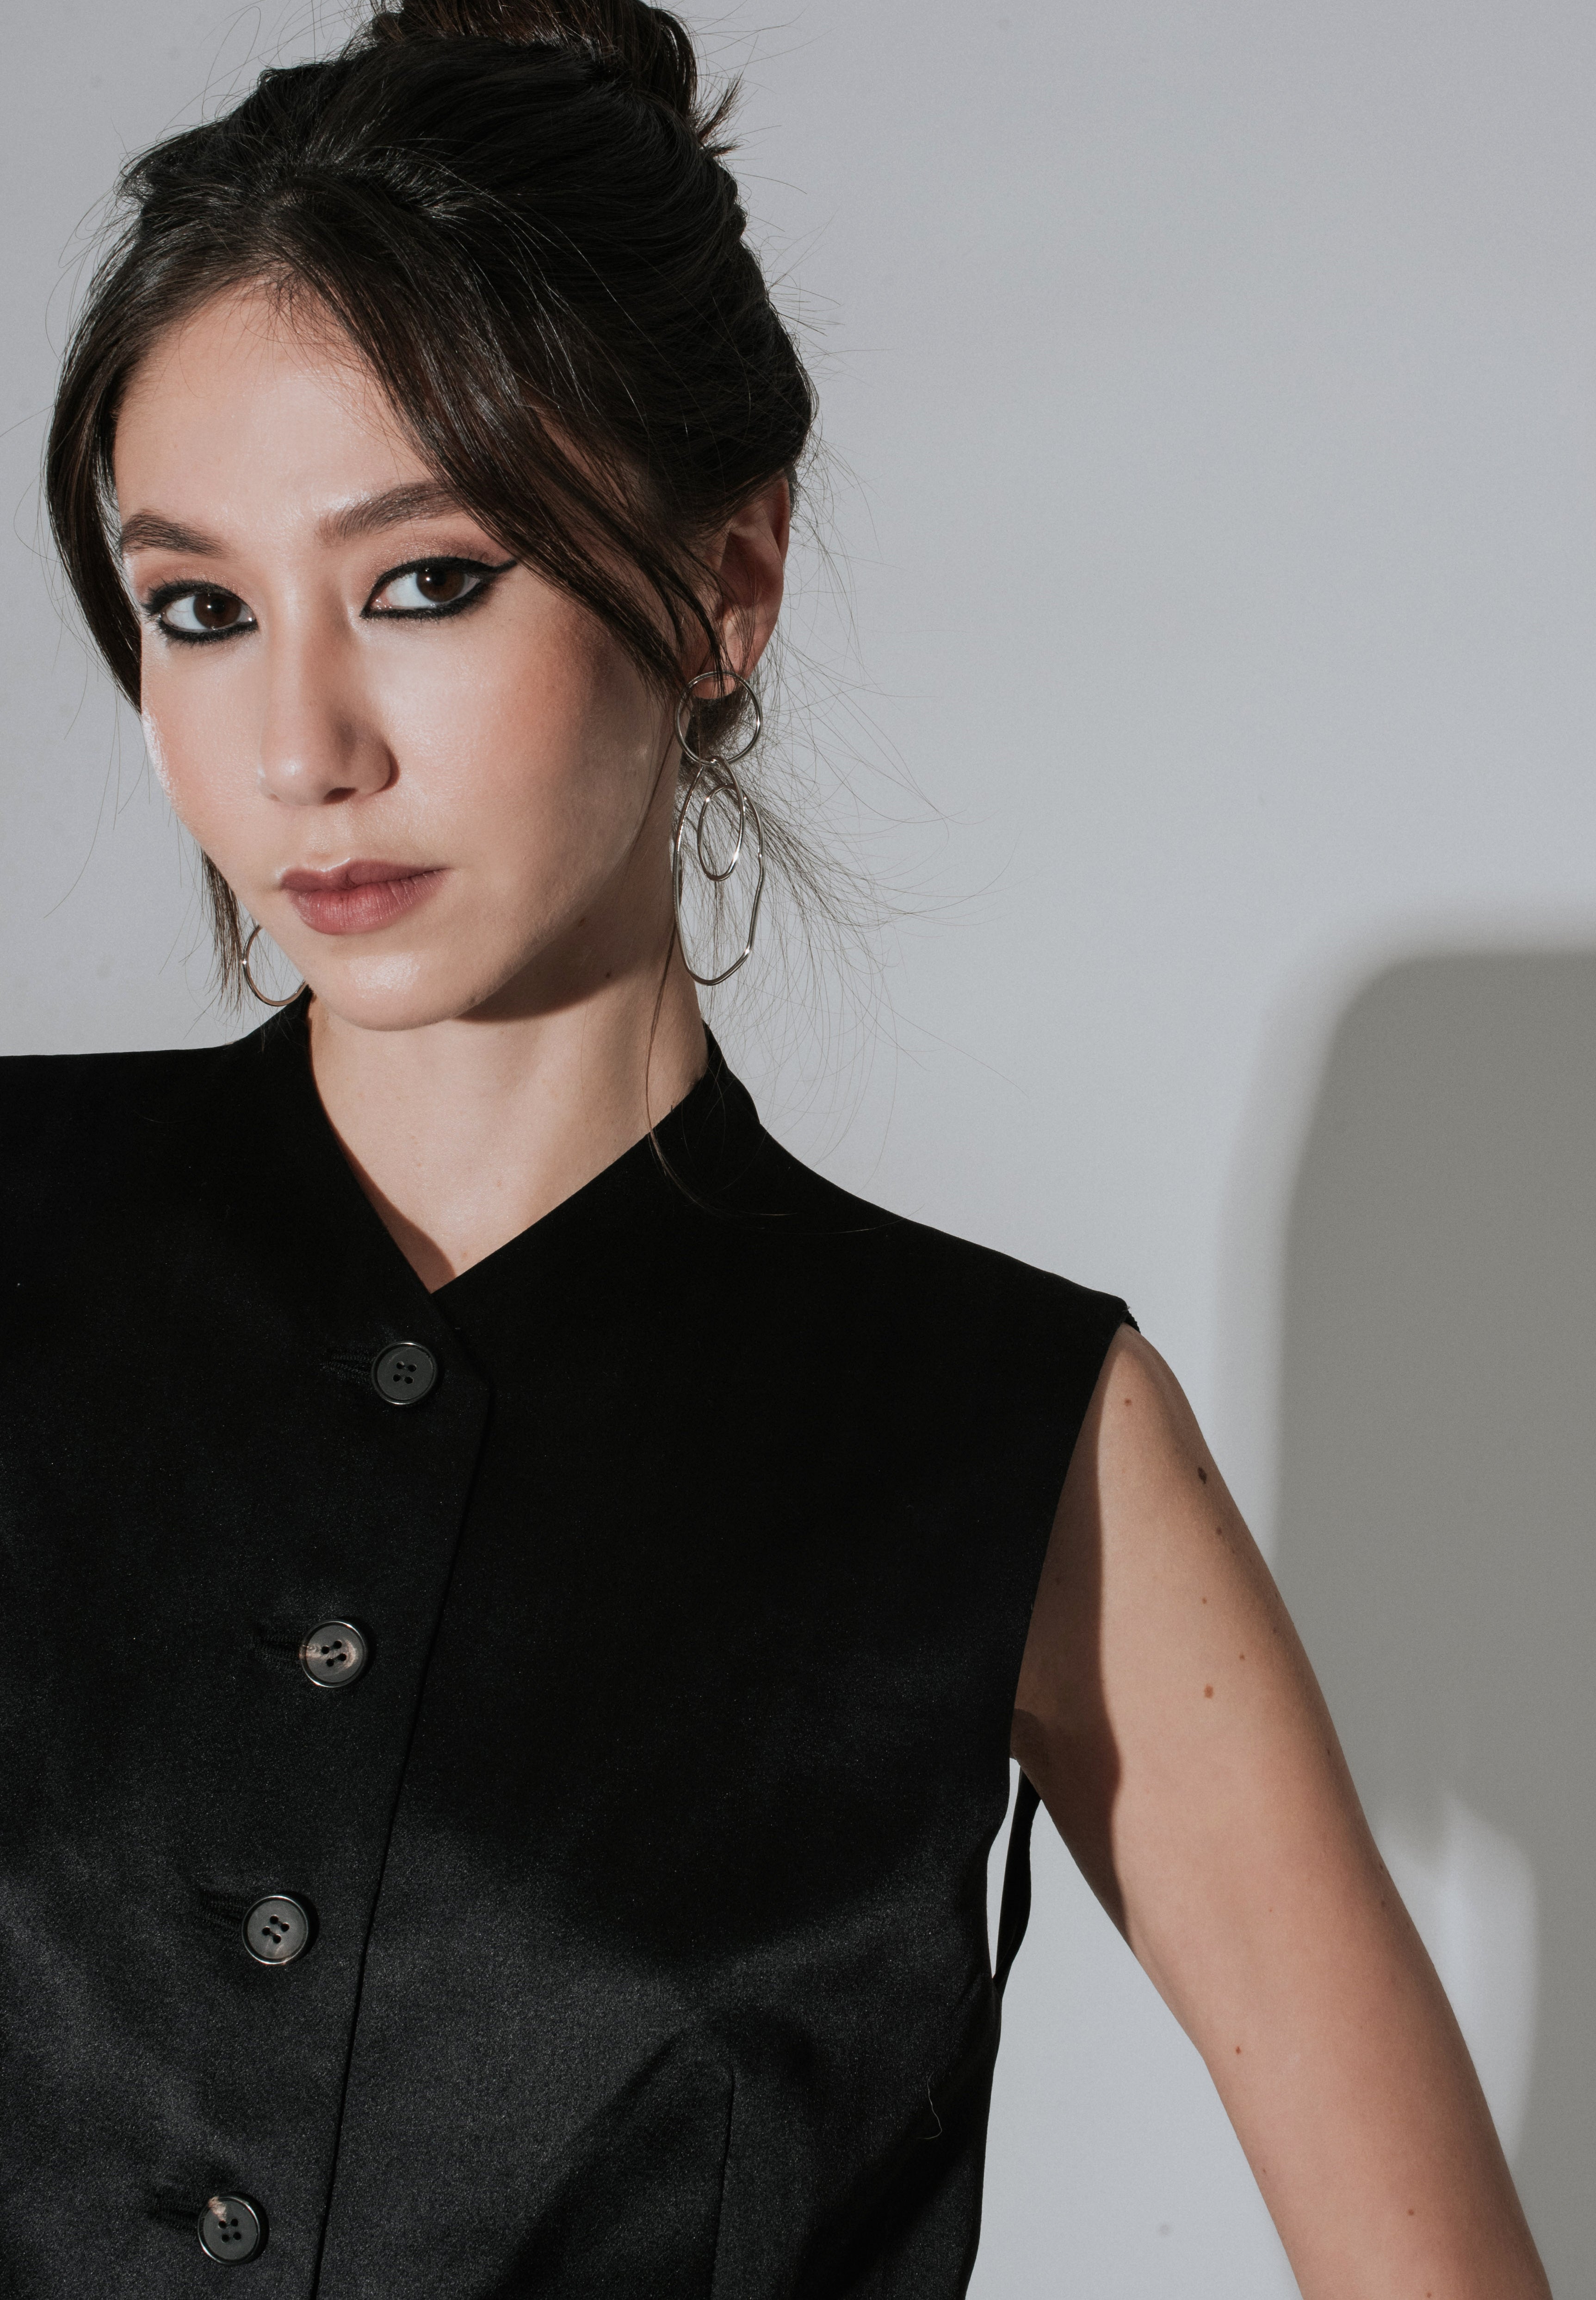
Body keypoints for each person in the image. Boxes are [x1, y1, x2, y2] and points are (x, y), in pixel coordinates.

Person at [0, 2, 1550, 2293]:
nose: (298, 744)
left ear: (727, 580)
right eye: (200, 610)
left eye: (426, 580)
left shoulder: (1008, 1441)